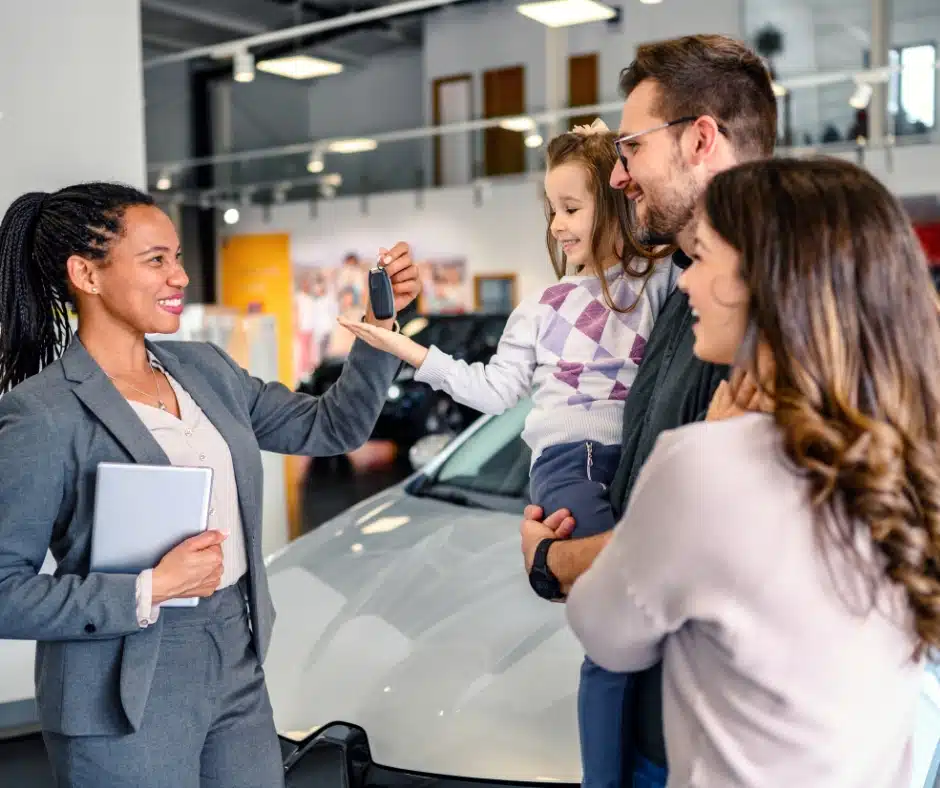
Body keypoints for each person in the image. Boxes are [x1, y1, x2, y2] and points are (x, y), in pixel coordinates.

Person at [0, 182, 419, 788]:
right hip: (119, 684)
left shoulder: (205, 369)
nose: (180, 276)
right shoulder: (41, 414)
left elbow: (334, 425)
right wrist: (148, 588)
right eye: (156, 260)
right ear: (86, 274)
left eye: (177, 257)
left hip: (233, 651)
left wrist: (381, 327)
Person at [568, 156, 936, 786]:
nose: (684, 284)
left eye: (704, 257)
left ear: (764, 280)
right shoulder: (911, 455)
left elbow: (605, 633)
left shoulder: (706, 467)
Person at [336, 121, 675, 788]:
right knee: (612, 631)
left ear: (614, 200)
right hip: (568, 464)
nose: (557, 226)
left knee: (644, 632)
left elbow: (686, 231)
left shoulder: (658, 285)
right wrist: (406, 350)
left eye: (572, 208)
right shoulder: (542, 307)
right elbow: (492, 391)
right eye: (552, 211)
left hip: (634, 461)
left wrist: (621, 151)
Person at [518, 33, 778, 787]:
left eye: (632, 147)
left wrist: (552, 560)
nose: (620, 174)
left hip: (717, 744)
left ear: (701, 139)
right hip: (652, 720)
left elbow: (708, 545)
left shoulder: (766, 315)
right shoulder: (686, 299)